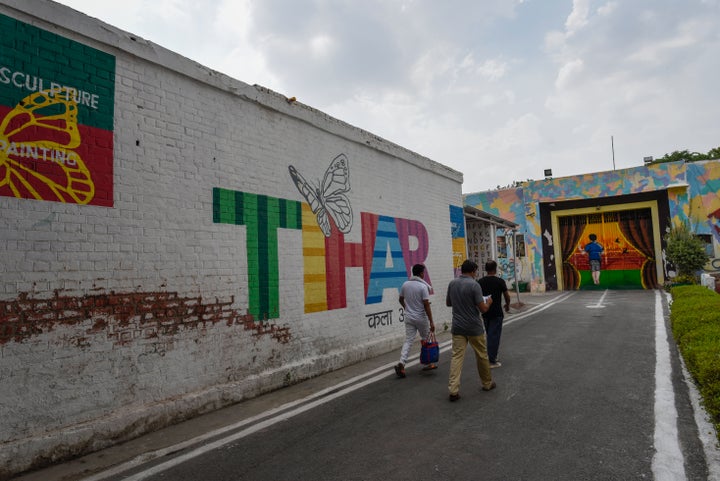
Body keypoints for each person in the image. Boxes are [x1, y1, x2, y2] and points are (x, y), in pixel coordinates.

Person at [445, 259, 495, 401]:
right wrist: (489, 302)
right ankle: (487, 383)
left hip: (458, 327)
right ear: (473, 271)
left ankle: (453, 390)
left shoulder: (452, 283)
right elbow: (483, 309)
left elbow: (448, 303)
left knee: (456, 357)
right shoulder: (474, 285)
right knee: (481, 355)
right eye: (475, 272)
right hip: (474, 327)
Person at [394, 264, 436, 378]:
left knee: (408, 340)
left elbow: (400, 299)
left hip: (409, 317)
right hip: (421, 318)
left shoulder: (405, 284)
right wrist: (431, 321)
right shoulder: (423, 287)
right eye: (424, 272)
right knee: (425, 339)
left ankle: (402, 363)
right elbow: (426, 305)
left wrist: (407, 308)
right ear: (422, 273)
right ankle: (428, 362)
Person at [478, 260, 511, 368]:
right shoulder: (500, 281)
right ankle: (492, 360)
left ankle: (492, 355)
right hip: (497, 312)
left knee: (490, 335)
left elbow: (477, 297)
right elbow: (507, 295)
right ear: (495, 269)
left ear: (486, 269)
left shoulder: (480, 282)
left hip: (485, 312)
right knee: (494, 336)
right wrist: (507, 304)